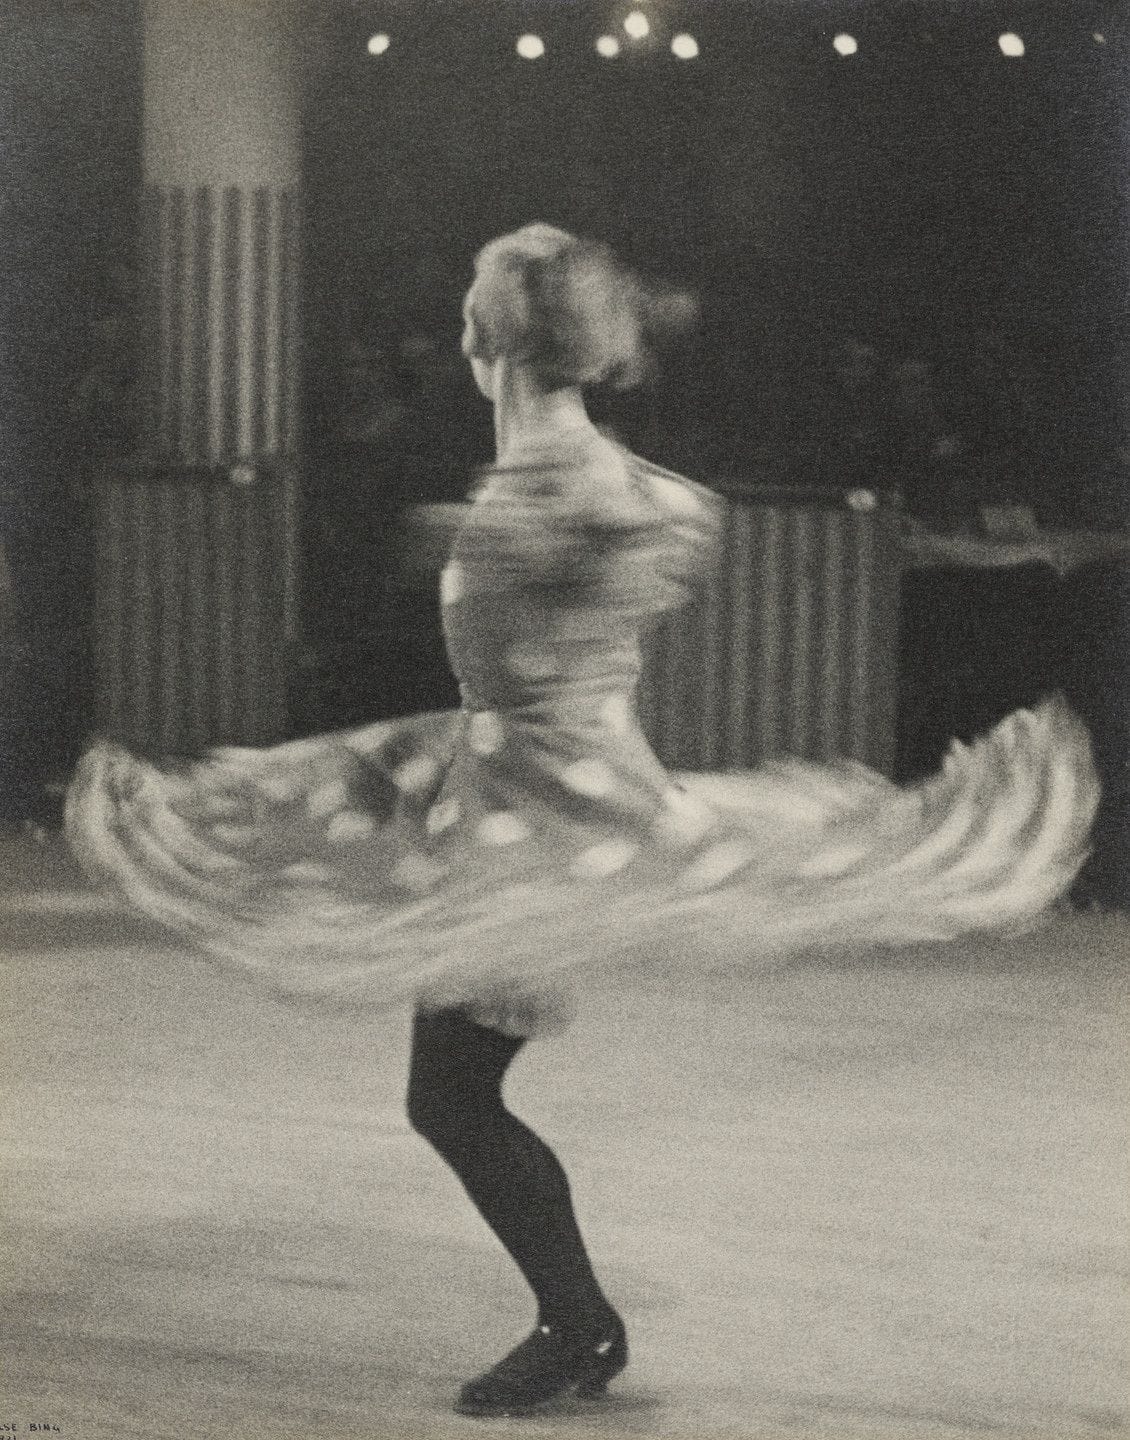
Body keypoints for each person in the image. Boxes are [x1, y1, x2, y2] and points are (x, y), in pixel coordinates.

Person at [66, 224, 1099, 1419]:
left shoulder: (560, 483)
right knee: (449, 1095)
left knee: (449, 1098)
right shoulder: (547, 478)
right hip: (501, 788)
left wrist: (489, 545)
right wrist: (485, 541)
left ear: (481, 338)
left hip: (545, 818)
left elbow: (640, 535)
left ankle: (579, 1326)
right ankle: (577, 1323)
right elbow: (641, 537)